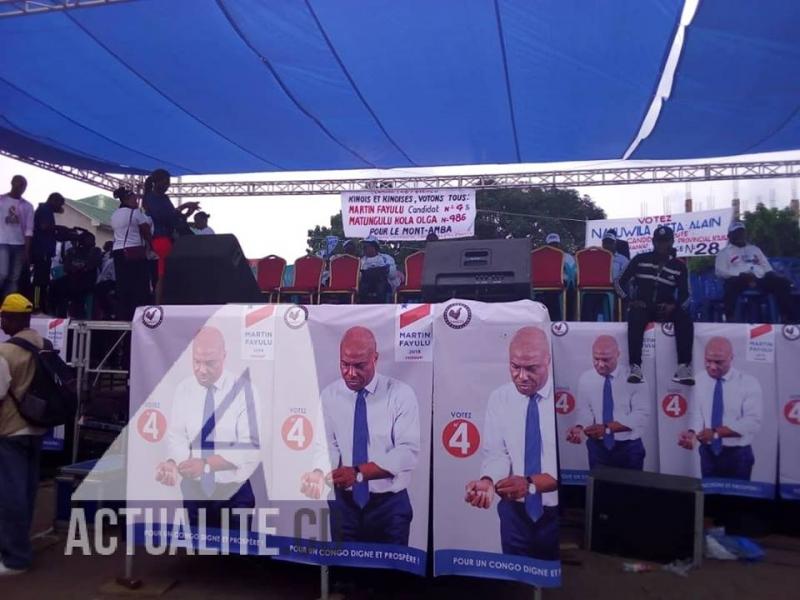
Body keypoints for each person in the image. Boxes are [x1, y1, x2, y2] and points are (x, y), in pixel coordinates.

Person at [301, 327, 420, 545]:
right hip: (344, 505)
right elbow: (326, 446)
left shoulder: (400, 395)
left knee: (390, 576)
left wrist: (358, 473)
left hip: (389, 507)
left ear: (375, 358)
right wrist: (319, 472)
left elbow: (407, 453)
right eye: (345, 364)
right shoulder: (330, 395)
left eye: (359, 366)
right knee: (345, 576)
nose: (351, 373)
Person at [465, 327, 558, 560]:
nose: (522, 376)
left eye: (531, 368)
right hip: (514, 513)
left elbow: (563, 461)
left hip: (555, 511)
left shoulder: (560, 398)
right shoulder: (500, 398)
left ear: (548, 360)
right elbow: (497, 453)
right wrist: (488, 481)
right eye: (515, 367)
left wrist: (530, 484)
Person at [155, 327, 260, 527]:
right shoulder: (183, 390)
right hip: (194, 492)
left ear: (224, 356)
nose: (202, 370)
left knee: (234, 556)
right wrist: (175, 463)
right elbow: (177, 437)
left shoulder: (244, 391)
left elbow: (248, 447)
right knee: (200, 555)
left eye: (210, 363)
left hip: (234, 493)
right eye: (197, 361)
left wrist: (205, 464)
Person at [615, 225, 695, 386]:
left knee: (685, 319)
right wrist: (629, 300)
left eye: (665, 242)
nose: (661, 245)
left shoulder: (679, 266)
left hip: (667, 308)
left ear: (672, 242)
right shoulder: (639, 259)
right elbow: (618, 282)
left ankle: (683, 367)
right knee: (635, 316)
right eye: (658, 241)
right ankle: (635, 367)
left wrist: (675, 306)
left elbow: (687, 295)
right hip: (644, 306)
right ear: (653, 241)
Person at [0, 294, 44, 576]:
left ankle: (15, 558)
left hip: (11, 430)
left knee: (9, 496)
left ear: (17, 318)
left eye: (5, 316)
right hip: (37, 427)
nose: (2, 321)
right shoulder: (43, 344)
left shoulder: (5, 353)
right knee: (26, 492)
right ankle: (19, 547)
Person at [678, 337, 762, 480]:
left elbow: (752, 423)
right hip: (708, 453)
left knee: (737, 501)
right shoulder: (699, 380)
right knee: (709, 501)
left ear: (731, 358)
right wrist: (692, 434)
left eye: (718, 362)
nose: (712, 366)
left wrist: (716, 433)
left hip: (738, 455)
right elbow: (697, 414)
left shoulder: (749, 383)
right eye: (708, 361)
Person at [566, 335, 648, 470]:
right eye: (596, 359)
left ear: (618, 355)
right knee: (599, 490)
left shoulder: (634, 378)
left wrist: (608, 429)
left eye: (606, 359)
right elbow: (585, 412)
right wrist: (579, 428)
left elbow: (640, 416)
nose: (600, 364)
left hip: (629, 447)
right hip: (598, 448)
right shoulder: (586, 378)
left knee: (632, 491)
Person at [715, 220, 794, 323]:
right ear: (729, 236)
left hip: (760, 278)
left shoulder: (755, 249)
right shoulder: (724, 253)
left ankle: (787, 318)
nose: (740, 235)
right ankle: (731, 318)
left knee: (783, 283)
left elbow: (767, 268)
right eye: (736, 233)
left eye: (742, 232)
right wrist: (739, 275)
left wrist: (774, 276)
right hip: (740, 279)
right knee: (730, 285)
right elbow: (720, 271)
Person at [141, 169, 199, 302]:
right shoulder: (151, 198)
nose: (168, 185)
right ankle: (159, 306)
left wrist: (187, 212)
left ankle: (162, 304)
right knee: (164, 275)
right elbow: (164, 217)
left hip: (168, 238)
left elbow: (174, 218)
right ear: (157, 182)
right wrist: (183, 206)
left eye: (169, 183)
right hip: (160, 239)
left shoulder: (163, 198)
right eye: (166, 182)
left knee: (165, 275)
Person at [111, 188, 152, 321]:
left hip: (118, 252)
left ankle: (122, 316)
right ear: (127, 199)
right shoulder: (135, 213)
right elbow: (146, 231)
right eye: (135, 199)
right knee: (140, 287)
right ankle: (139, 317)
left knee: (123, 287)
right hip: (134, 252)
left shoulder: (115, 214)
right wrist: (152, 245)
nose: (137, 202)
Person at [49, 231, 101, 319]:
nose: (93, 242)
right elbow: (67, 267)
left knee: (76, 289)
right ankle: (56, 313)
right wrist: (79, 267)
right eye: (89, 239)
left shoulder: (95, 251)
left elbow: (90, 266)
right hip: (71, 278)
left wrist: (78, 268)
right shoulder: (72, 251)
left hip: (87, 280)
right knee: (55, 285)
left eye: (93, 240)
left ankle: (79, 315)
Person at [31, 192, 65, 313]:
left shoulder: (46, 210)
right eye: (59, 204)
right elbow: (44, 226)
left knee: (44, 280)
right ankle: (36, 305)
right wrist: (59, 229)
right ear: (53, 201)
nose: (60, 207)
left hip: (45, 251)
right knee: (39, 281)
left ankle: (41, 304)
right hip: (42, 250)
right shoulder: (45, 210)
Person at [0, 176, 34, 298]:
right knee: (2, 273)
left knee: (14, 278)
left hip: (19, 244)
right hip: (2, 242)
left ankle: (7, 306)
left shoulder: (27, 206)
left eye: (23, 186)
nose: (21, 188)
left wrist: (27, 250)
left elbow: (29, 230)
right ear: (12, 183)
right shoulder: (1, 200)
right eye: (19, 185)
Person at [358, 236, 396, 304]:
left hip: (383, 284)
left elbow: (392, 275)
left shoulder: (386, 258)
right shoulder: (361, 261)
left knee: (381, 285)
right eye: (364, 246)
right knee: (362, 287)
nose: (364, 248)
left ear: (375, 247)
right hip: (366, 284)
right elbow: (358, 277)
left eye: (367, 246)